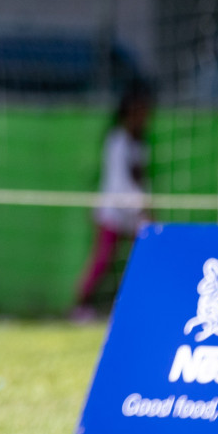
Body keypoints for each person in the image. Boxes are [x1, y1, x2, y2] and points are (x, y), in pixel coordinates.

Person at [72, 85, 151, 321]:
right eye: (139, 113)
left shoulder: (140, 144)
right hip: (113, 212)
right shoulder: (117, 141)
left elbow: (140, 179)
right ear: (127, 113)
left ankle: (136, 305)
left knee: (142, 257)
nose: (144, 118)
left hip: (133, 212)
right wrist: (141, 209)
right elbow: (119, 183)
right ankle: (80, 306)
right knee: (103, 260)